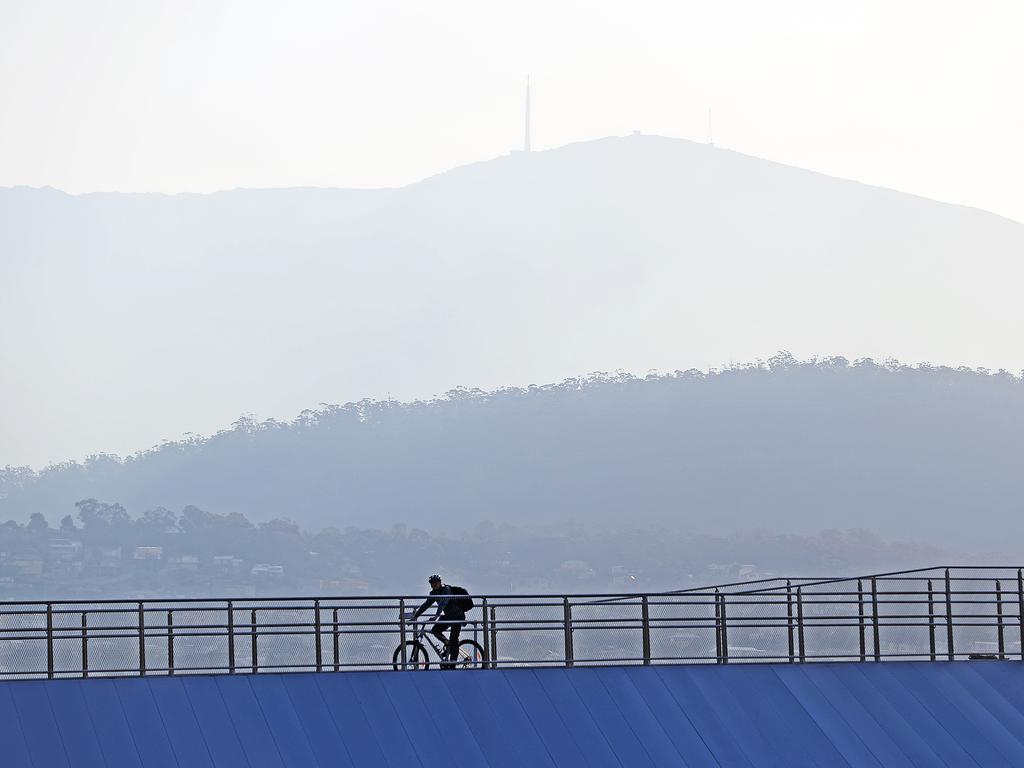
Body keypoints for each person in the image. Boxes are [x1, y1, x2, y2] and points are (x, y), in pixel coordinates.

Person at [411, 574, 466, 668]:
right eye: (432, 583)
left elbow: (443, 602)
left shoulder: (446, 590)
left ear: (440, 582)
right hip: (449, 616)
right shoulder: (433, 594)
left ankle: (453, 662)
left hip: (458, 616)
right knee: (435, 630)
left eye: (436, 582)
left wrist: (437, 615)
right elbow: (426, 604)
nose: (434, 584)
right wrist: (415, 616)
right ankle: (448, 644)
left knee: (454, 638)